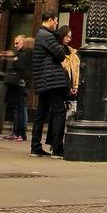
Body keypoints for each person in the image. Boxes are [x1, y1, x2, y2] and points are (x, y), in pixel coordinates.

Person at [30, 13, 70, 156]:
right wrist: (60, 45)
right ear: (51, 20)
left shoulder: (41, 35)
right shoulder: (47, 35)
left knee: (41, 113)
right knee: (59, 112)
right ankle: (57, 148)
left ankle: (35, 146)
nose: (57, 24)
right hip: (51, 80)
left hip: (44, 80)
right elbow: (60, 55)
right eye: (56, 21)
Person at [1, 35, 30, 141]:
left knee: (18, 108)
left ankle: (18, 132)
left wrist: (14, 58)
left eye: (17, 43)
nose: (15, 45)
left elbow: (22, 67)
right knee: (19, 108)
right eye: (14, 43)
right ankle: (18, 132)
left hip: (19, 84)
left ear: (23, 42)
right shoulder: (22, 53)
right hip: (20, 84)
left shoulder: (24, 54)